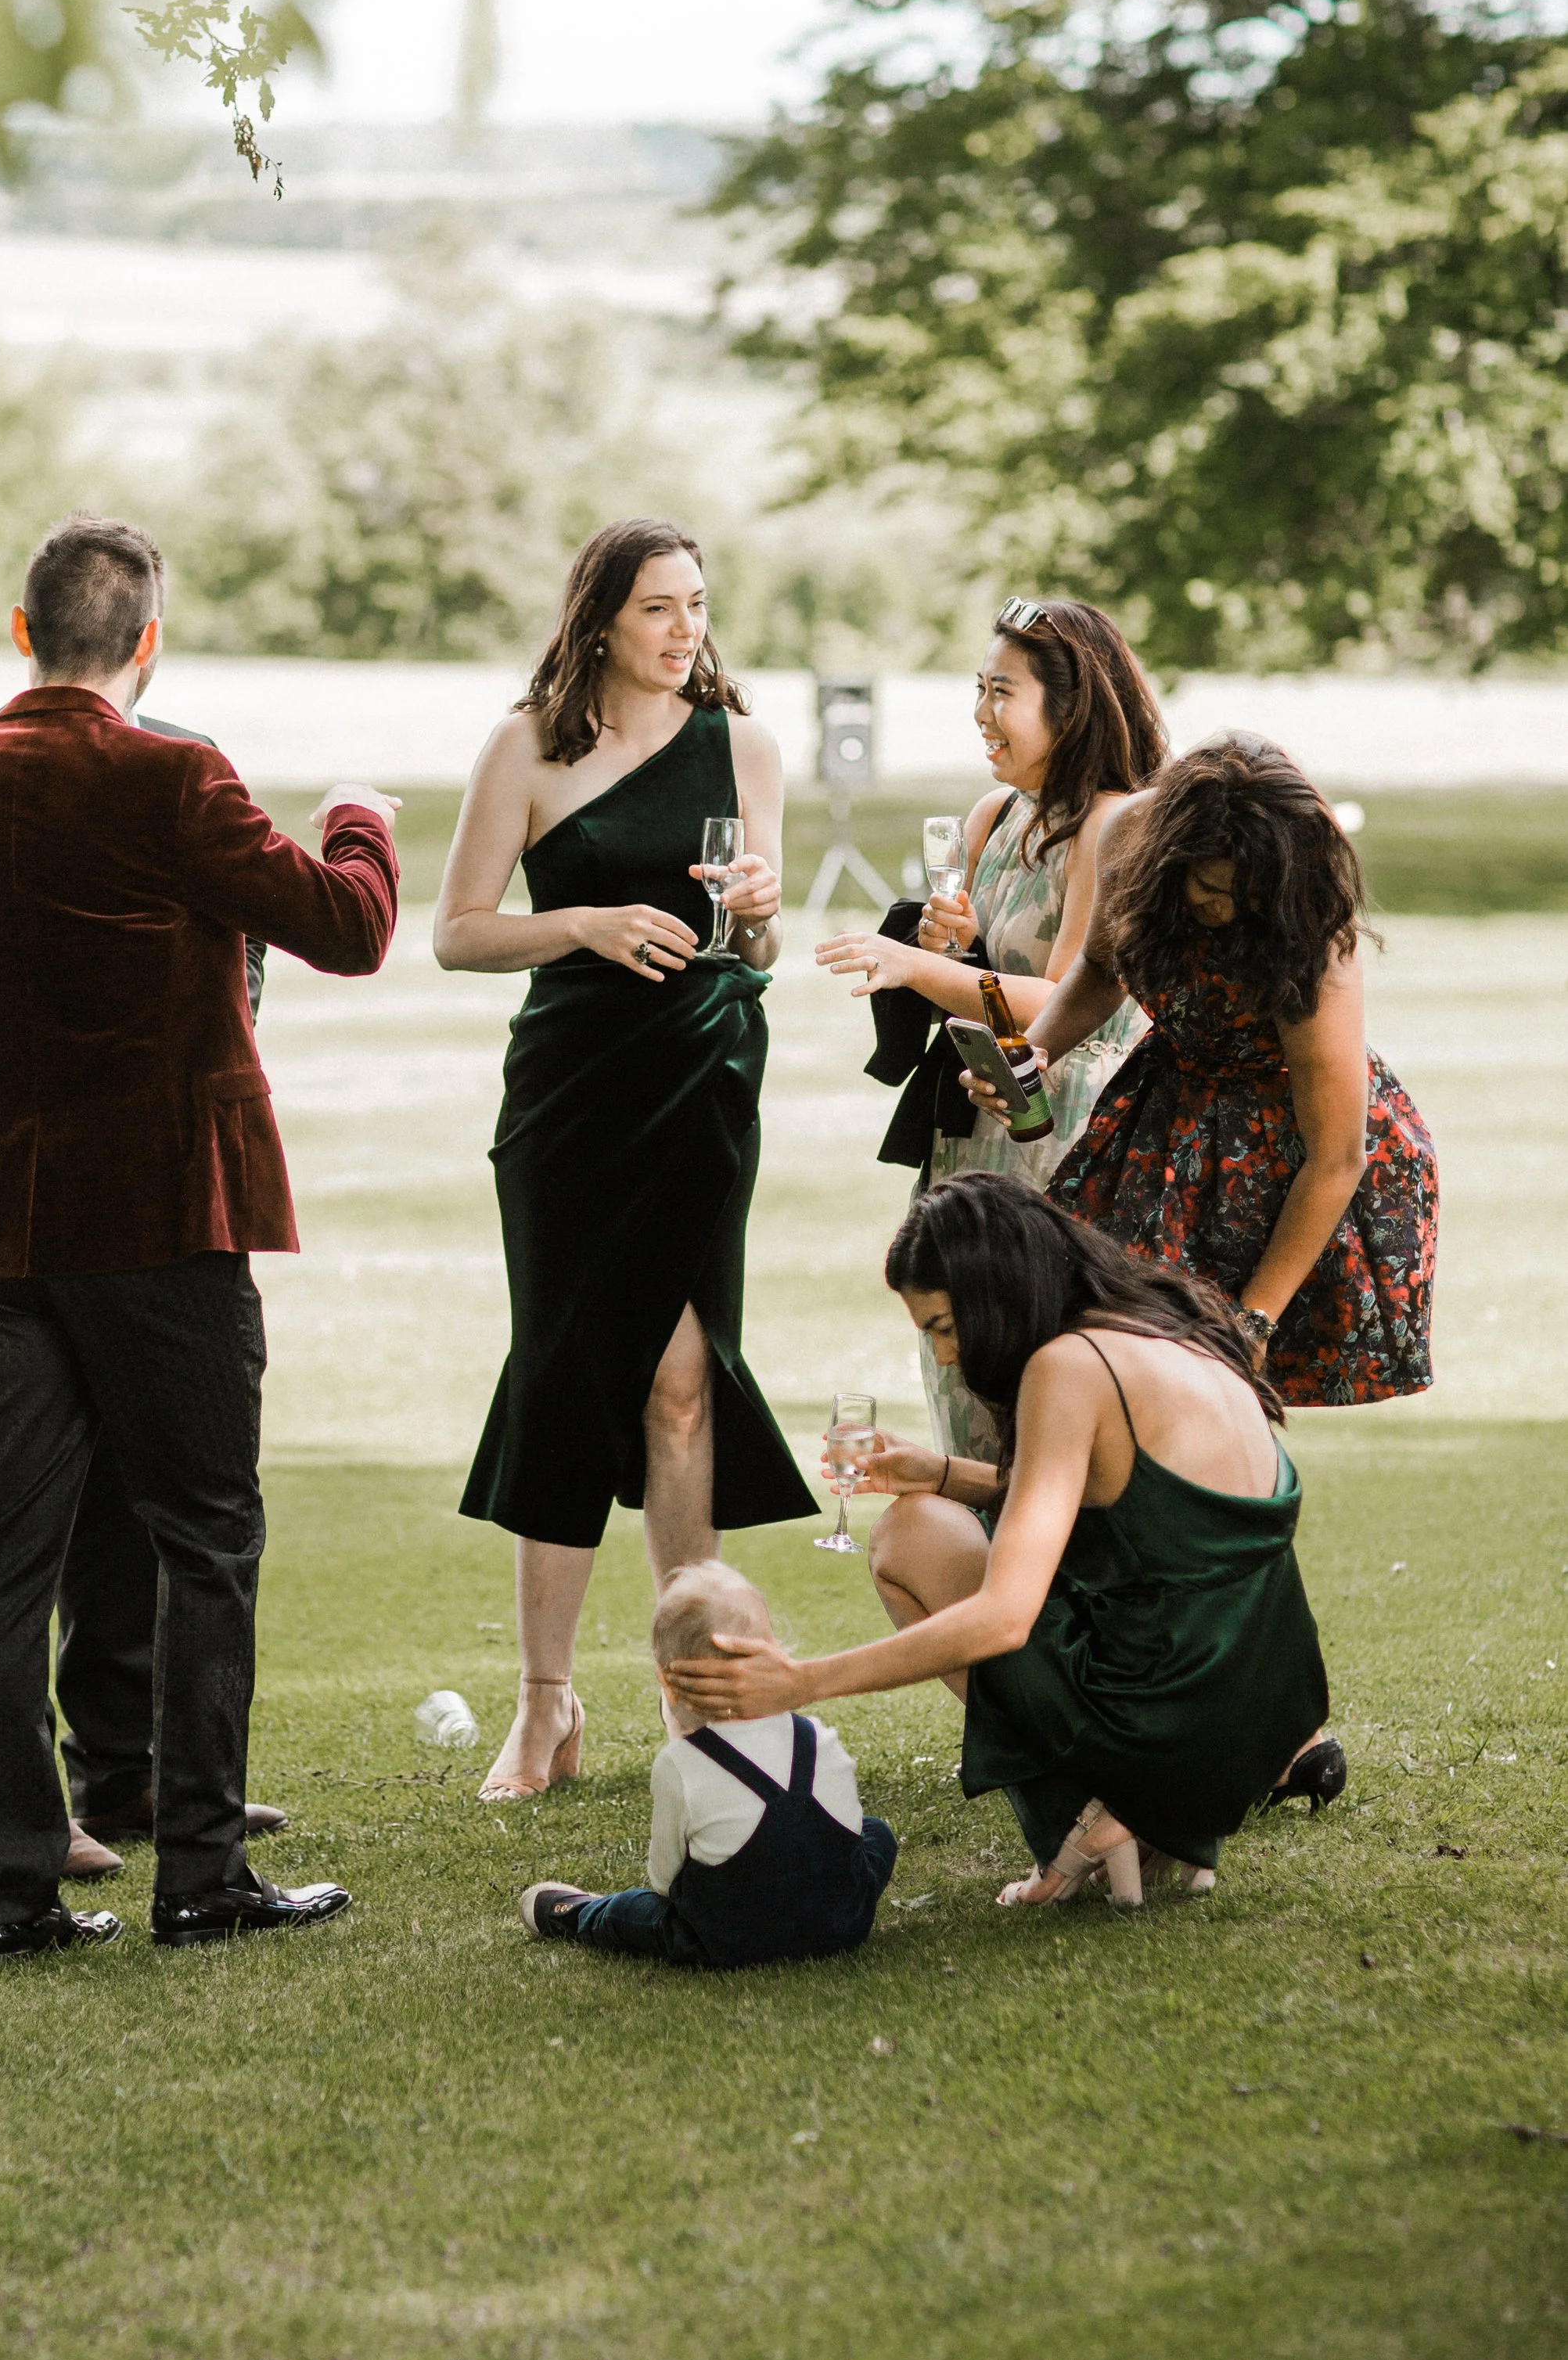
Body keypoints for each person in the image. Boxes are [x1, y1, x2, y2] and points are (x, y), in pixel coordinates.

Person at [0, 513, 401, 1961]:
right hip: (159, 1213)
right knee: (207, 1532)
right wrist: (362, 821)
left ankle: (10, 1896)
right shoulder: (176, 775)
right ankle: (200, 1876)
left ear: (21, 633)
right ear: (148, 642)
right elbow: (345, 927)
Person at [0, 712, 285, 1885]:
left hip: (59, 1181)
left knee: (113, 1504)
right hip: (39, 1186)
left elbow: (242, 966)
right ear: (142, 635)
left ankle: (124, 1766)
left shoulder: (182, 759)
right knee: (6, 1512)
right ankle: (30, 1819)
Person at [666, 1176, 1341, 1905]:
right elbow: (1137, 1510)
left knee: (907, 1537)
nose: (947, 1358)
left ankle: (1101, 1806)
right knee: (927, 1512)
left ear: (996, 1292)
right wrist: (939, 1471)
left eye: (944, 1328)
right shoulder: (1168, 1326)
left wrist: (803, 1682)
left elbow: (1004, 1617)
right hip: (1262, 1713)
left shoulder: (1069, 1368)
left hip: (1165, 1721)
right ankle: (1138, 1808)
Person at [434, 518, 817, 1801]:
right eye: (660, 608)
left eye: (698, 605)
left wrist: (759, 923)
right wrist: (583, 922)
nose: (685, 631)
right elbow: (458, 933)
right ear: (601, 617)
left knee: (684, 1387)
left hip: (706, 1082)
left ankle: (694, 1696)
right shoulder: (527, 747)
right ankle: (545, 1708)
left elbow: (754, 950)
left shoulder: (745, 746)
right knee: (562, 1376)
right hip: (572, 1097)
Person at [815, 595, 1167, 1466]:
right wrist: (954, 945)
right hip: (975, 1124)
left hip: (1065, 1135)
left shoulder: (1114, 826)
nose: (981, 714)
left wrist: (915, 967)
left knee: (1048, 1373)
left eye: (1001, 691)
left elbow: (1065, 999)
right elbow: (984, 978)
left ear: (1070, 704)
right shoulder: (992, 818)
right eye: (979, 688)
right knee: (961, 1368)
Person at [988, 733, 1437, 1408]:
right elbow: (1100, 968)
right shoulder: (1132, 836)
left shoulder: (1311, 927)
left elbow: (1337, 1159)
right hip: (1167, 1124)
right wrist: (1034, 1055)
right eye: (1210, 886)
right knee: (1096, 1348)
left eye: (1249, 896)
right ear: (1172, 855)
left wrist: (1252, 1321)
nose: (1227, 910)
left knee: (1209, 1395)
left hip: (1296, 1170)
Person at [519, 1560, 897, 1964]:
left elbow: (664, 1880)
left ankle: (577, 1913)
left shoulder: (680, 1764)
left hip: (728, 1941)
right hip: (845, 1925)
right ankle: (814, 1915)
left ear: (667, 1683)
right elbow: (849, 1833)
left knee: (637, 1912)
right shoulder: (820, 1737)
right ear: (775, 1658)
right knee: (877, 1834)